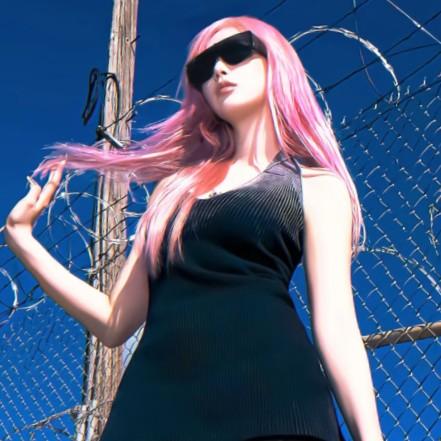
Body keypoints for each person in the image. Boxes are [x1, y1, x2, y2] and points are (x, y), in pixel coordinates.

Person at [4, 15, 384, 441]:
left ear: (275, 60)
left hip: (274, 406)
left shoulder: (317, 185)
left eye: (236, 51)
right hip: (151, 414)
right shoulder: (174, 190)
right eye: (203, 67)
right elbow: (114, 321)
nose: (219, 69)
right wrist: (22, 241)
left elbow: (336, 326)